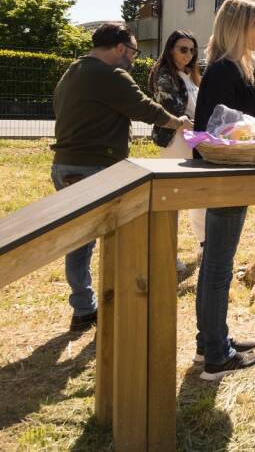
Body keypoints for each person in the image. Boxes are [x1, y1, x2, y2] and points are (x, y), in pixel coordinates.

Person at [51, 23, 192, 331]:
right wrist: (177, 122)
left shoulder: (73, 71)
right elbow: (144, 107)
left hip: (64, 166)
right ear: (118, 48)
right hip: (93, 167)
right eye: (132, 51)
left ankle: (84, 308)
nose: (132, 58)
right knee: (124, 234)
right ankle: (124, 298)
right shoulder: (110, 74)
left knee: (80, 239)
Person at [193, 0, 255, 380]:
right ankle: (216, 354)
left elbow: (229, 122)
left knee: (214, 264)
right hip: (227, 178)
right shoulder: (225, 71)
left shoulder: (226, 69)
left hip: (228, 177)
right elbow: (220, 130)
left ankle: (211, 341)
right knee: (218, 265)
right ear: (238, 27)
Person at [149, 30, 206, 273]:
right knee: (174, 198)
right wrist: (188, 122)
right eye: (183, 49)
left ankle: (205, 245)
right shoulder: (164, 75)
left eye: (192, 50)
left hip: (195, 139)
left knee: (199, 195)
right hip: (176, 141)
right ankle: (167, 254)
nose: (189, 55)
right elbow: (169, 107)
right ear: (170, 49)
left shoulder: (191, 75)